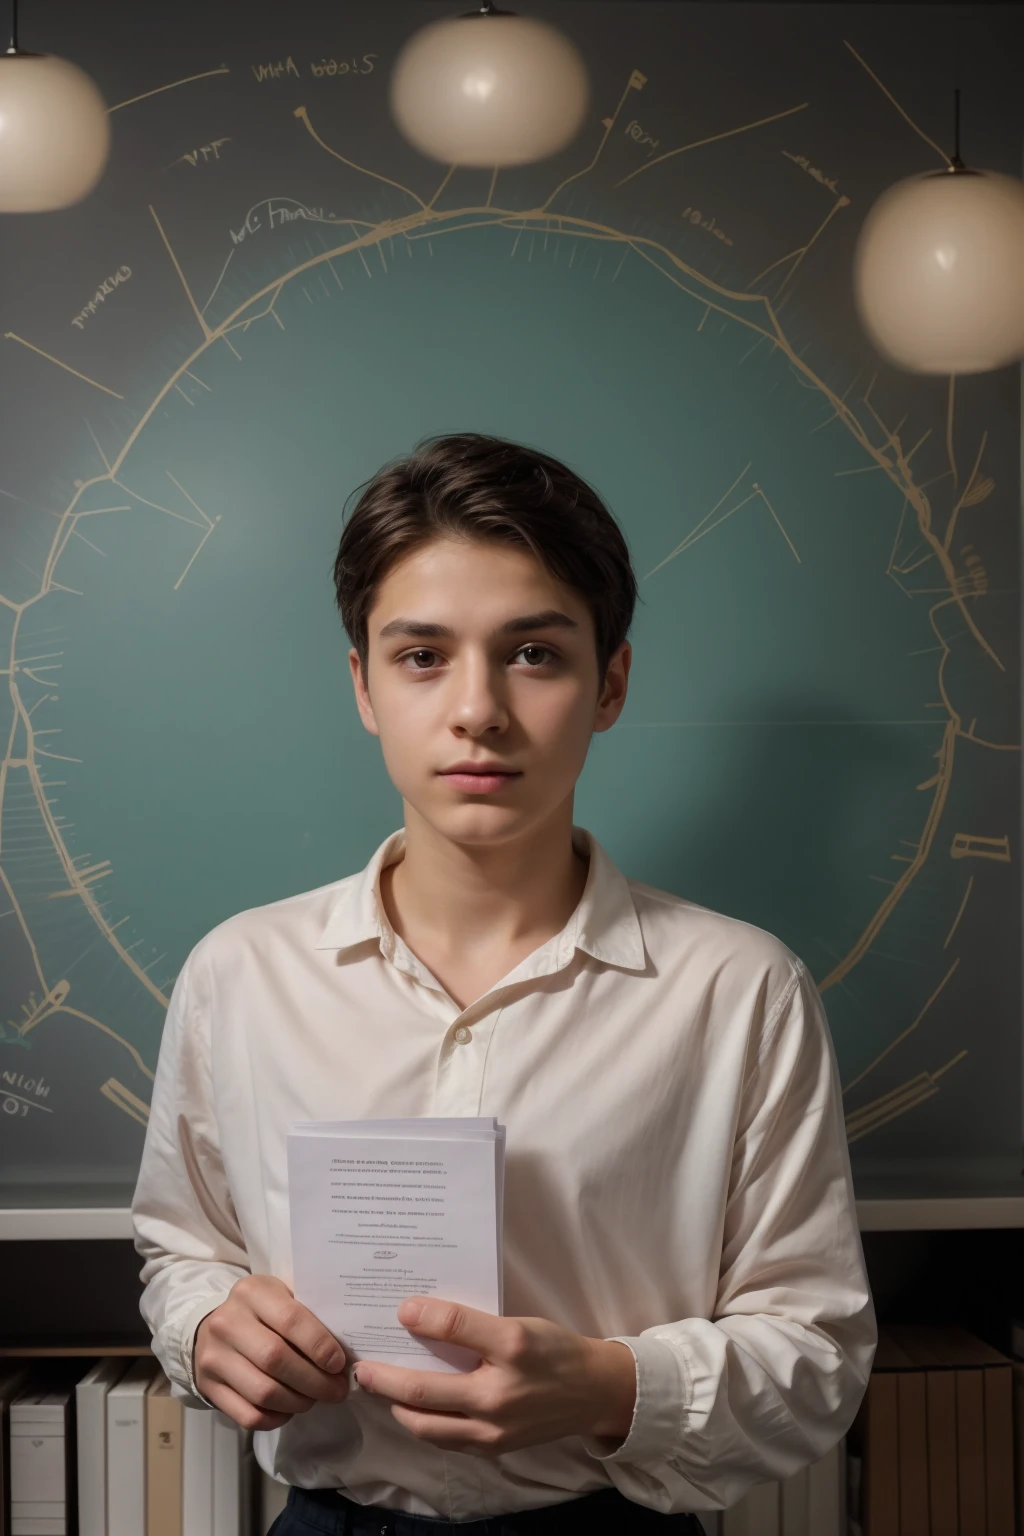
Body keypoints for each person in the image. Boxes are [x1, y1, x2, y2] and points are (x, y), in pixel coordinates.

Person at [131, 432, 877, 1535]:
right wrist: (205, 1333)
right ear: (364, 687)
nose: (477, 708)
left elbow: (816, 1353)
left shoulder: (738, 990)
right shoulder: (239, 975)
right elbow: (182, 1249)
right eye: (422, 656)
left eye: (533, 653)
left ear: (610, 681)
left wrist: (614, 1387)